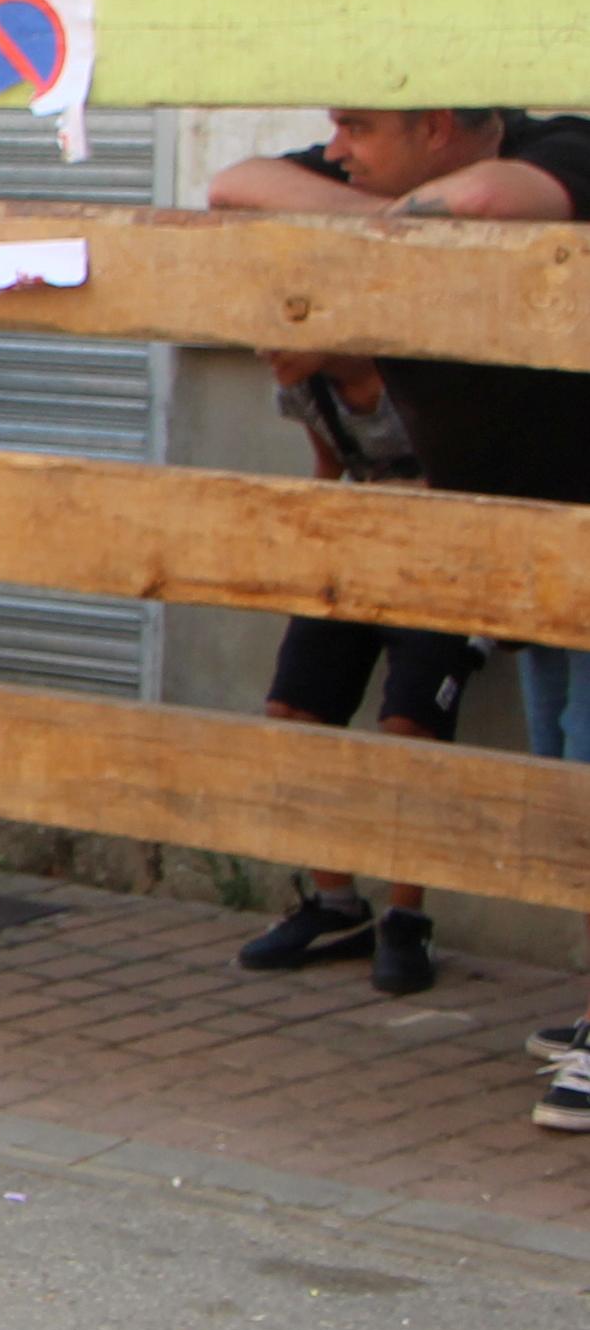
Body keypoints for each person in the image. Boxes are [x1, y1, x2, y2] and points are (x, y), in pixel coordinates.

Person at [200, 109, 590, 1107]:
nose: (331, 148)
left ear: (437, 126)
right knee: (565, 783)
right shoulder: (361, 175)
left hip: (558, 538)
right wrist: (383, 211)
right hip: (526, 549)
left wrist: (373, 228)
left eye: (356, 126)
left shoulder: (561, 147)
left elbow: (481, 200)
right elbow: (233, 181)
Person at [224, 351, 481, 994]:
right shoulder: (305, 386)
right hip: (356, 545)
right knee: (292, 715)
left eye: (281, 335)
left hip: (441, 553)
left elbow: (477, 467)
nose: (266, 351)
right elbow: (331, 466)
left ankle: (405, 918)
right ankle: (335, 902)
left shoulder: (414, 374)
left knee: (409, 732)